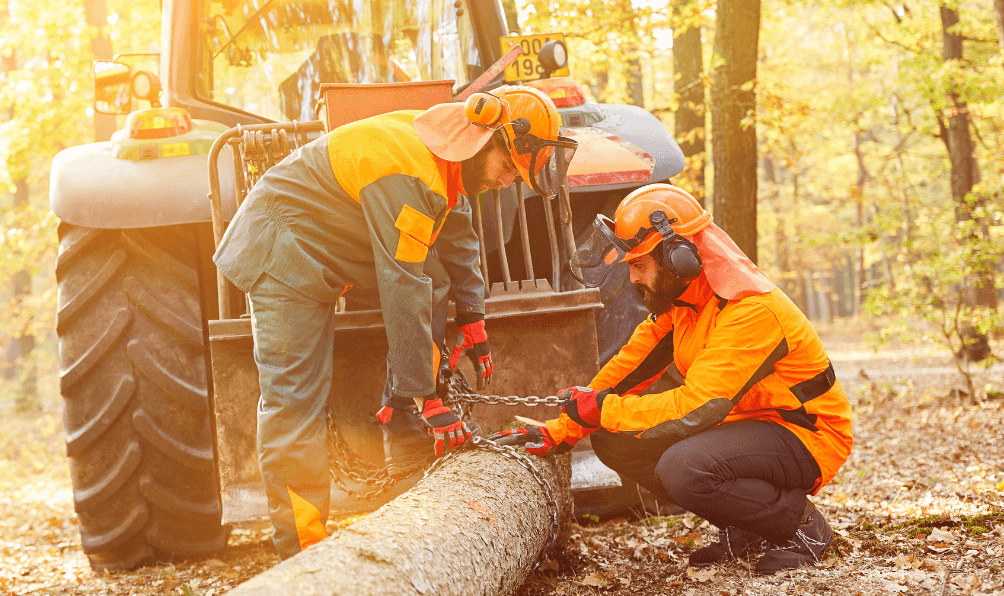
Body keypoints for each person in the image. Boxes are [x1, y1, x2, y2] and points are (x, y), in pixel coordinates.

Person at [213, 85, 577, 559]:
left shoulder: (448, 155)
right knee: (294, 400)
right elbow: (403, 282)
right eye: (508, 167)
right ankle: (303, 554)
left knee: (436, 273)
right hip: (281, 249)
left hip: (333, 247)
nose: (510, 180)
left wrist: (473, 318)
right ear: (483, 140)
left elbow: (461, 233)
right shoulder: (409, 170)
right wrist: (426, 394)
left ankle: (407, 441)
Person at [492, 184, 852, 575]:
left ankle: (802, 527)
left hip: (806, 434)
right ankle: (752, 526)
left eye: (637, 265)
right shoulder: (685, 303)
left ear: (677, 257)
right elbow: (625, 372)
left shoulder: (751, 311)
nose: (631, 279)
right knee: (614, 439)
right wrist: (559, 430)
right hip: (752, 426)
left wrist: (603, 408)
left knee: (685, 468)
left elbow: (700, 407)